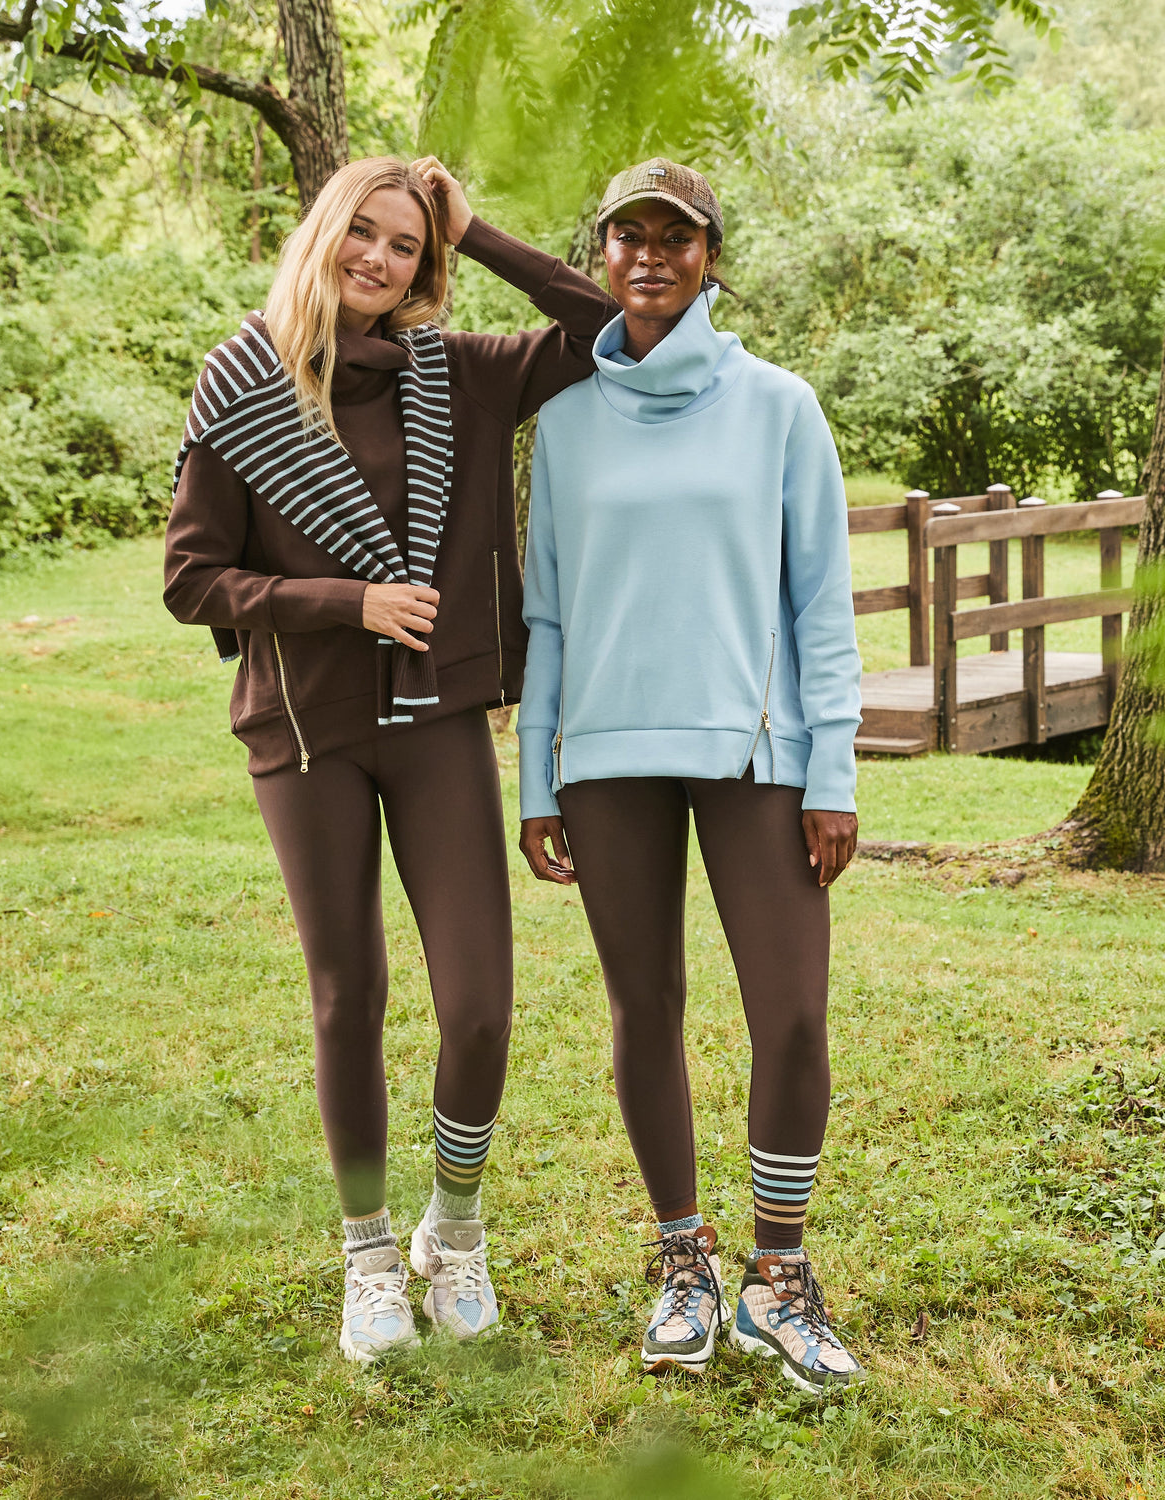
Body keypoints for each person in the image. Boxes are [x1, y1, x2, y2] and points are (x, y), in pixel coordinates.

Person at [164, 155, 614, 1363]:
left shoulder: (456, 375)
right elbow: (190, 577)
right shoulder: (248, 379)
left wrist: (483, 229)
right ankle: (368, 1255)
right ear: (325, 232)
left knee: (477, 1006)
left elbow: (609, 323)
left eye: (407, 244)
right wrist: (344, 603)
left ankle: (451, 1230)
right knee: (346, 997)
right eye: (361, 232)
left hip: (439, 719)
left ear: (429, 263)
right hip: (305, 729)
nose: (378, 257)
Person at [517, 159, 865, 1390]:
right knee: (643, 1008)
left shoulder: (780, 407)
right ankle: (684, 1262)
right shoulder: (560, 425)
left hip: (756, 756)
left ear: (711, 255)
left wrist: (834, 767)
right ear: (600, 254)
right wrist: (536, 780)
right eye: (629, 235)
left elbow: (822, 603)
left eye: (679, 235)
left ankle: (779, 1277)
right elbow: (546, 620)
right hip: (607, 760)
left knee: (793, 1014)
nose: (653, 254)